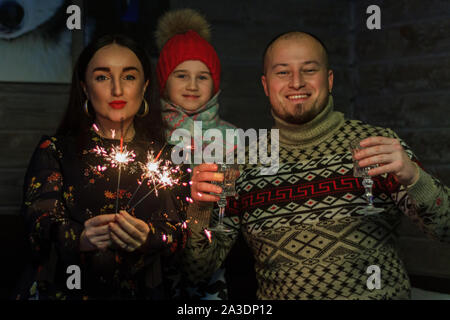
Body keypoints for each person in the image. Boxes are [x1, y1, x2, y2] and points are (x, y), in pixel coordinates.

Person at [183, 31, 450, 299]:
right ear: (266, 85)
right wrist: (199, 211)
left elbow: (446, 230)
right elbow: (200, 270)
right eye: (283, 72)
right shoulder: (241, 165)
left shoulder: (376, 148)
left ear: (330, 80)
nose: (296, 82)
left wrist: (415, 177)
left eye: (309, 70)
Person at [20, 34, 188, 300]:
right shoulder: (55, 151)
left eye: (129, 77)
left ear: (144, 87)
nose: (117, 90)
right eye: (102, 77)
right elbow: (36, 228)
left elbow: (182, 237)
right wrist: (79, 238)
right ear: (85, 88)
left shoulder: (167, 157)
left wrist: (150, 237)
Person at [154, 8, 238, 300]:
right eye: (181, 75)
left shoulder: (233, 139)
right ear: (164, 81)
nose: (192, 85)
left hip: (213, 262)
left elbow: (234, 206)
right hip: (156, 262)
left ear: (215, 84)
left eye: (202, 76)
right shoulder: (149, 136)